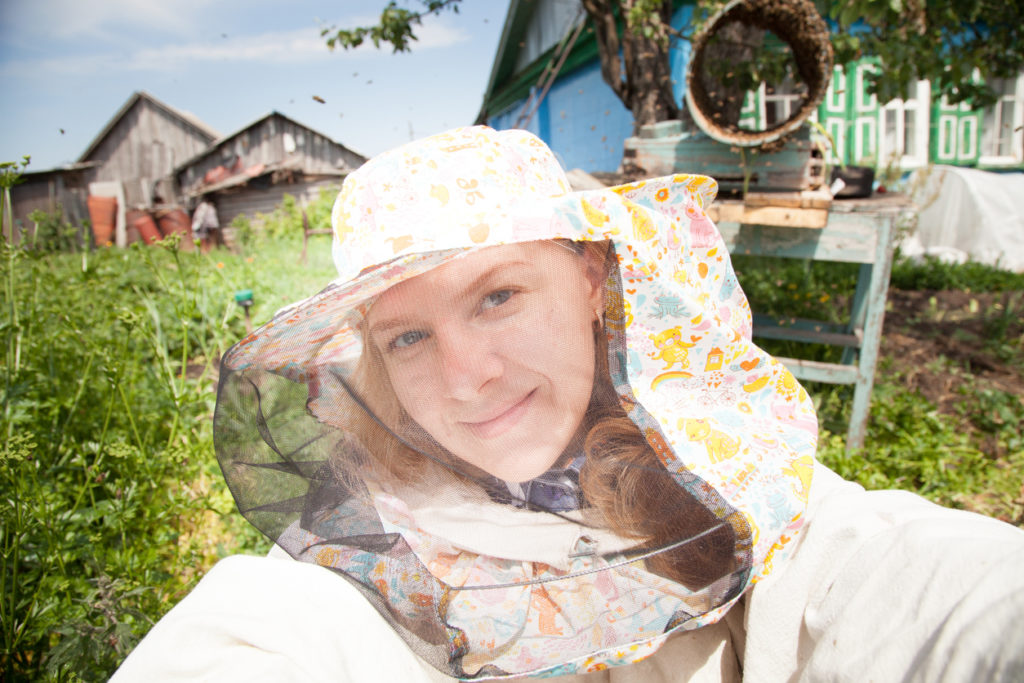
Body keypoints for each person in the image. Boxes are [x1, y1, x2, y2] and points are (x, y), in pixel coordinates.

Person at [113, 127, 1024, 682]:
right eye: (408, 336)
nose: (465, 377)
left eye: (497, 295)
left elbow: (878, 575)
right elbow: (276, 632)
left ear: (591, 277)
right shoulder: (374, 538)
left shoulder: (710, 457)